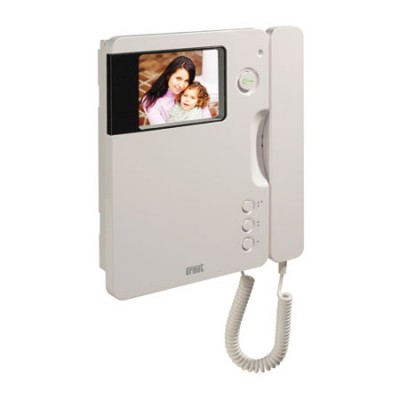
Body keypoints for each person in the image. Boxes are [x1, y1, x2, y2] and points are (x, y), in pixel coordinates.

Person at [141, 56, 210, 125]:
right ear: (168, 75)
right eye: (178, 78)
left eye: (186, 80)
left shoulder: (191, 88)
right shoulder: (149, 101)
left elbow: (206, 116)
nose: (181, 85)